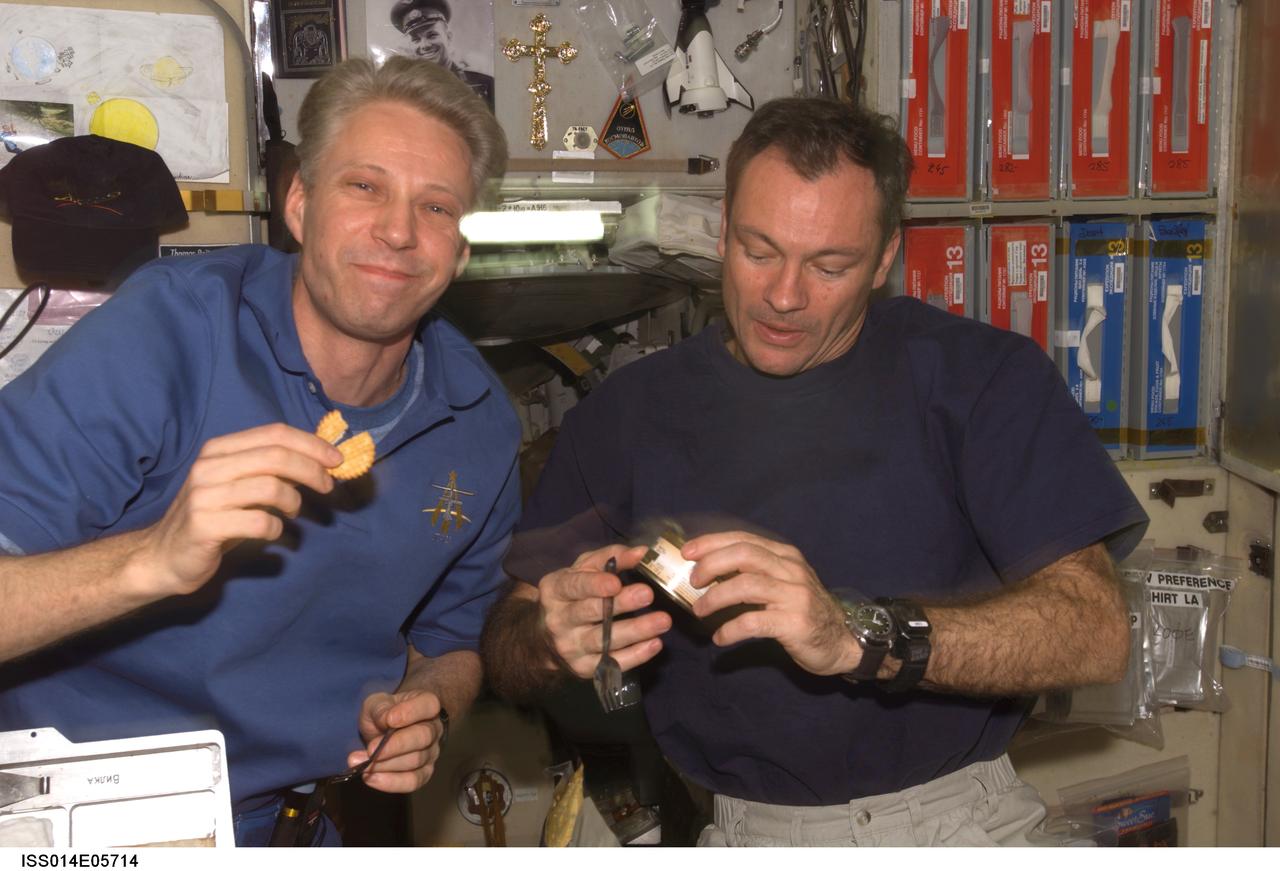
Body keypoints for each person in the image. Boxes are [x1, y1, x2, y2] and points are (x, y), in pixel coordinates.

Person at [481, 97, 1149, 847]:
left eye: (830, 265)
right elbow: (506, 642)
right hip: (742, 833)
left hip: (954, 826)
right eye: (758, 250)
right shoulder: (629, 413)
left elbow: (1095, 631)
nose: (784, 295)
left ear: (885, 258)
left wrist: (859, 634)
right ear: (724, 223)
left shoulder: (976, 381)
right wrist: (548, 633)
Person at [0, 56, 516, 846]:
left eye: (437, 206)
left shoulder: (479, 420)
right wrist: (151, 558)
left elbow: (454, 639)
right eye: (365, 186)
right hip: (84, 829)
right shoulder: (170, 333)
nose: (400, 230)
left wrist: (430, 704)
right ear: (300, 205)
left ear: (461, 248)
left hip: (298, 829)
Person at [391, 0, 495, 107]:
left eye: (432, 35)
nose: (425, 45)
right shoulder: (403, 94)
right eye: (416, 39)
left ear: (448, 37)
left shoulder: (485, 85)